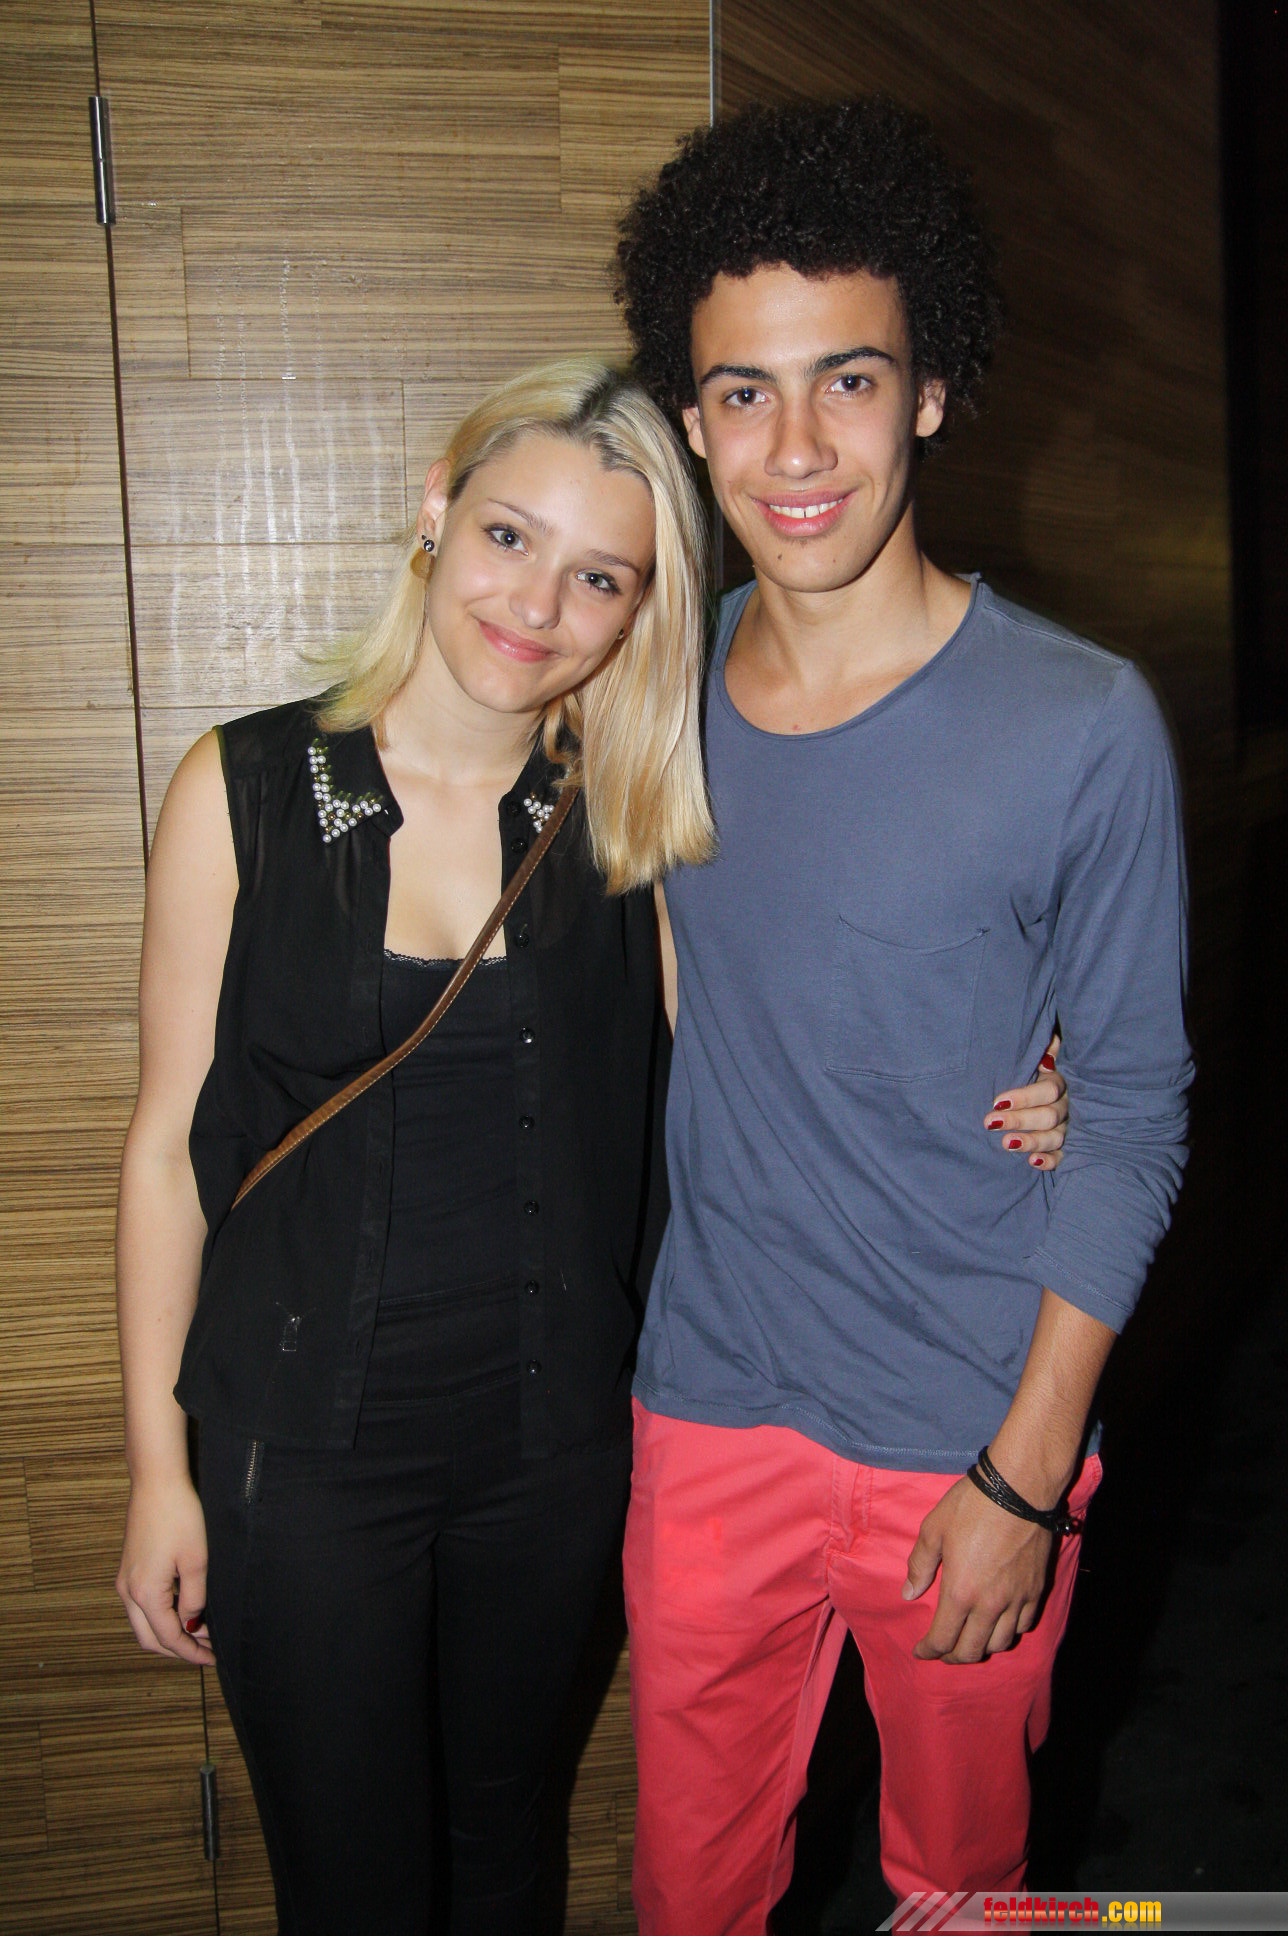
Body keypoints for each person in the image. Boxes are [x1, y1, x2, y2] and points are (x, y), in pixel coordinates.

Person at [114, 354, 1065, 1932]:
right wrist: (161, 1470)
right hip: (303, 1452)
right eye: (510, 537)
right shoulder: (253, 788)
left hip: (553, 1453)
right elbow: (168, 1153)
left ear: (638, 611)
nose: (539, 605)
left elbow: (793, 1043)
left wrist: (1039, 1072)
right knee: (351, 1887)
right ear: (438, 508)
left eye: (600, 577)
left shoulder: (628, 823)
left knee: (506, 1855)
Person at [614, 95, 1192, 1927]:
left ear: (931, 390)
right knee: (688, 1891)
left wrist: (1027, 1477)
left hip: (968, 1431)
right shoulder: (651, 688)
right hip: (709, 1416)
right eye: (744, 392)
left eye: (848, 381)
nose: (796, 448)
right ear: (691, 419)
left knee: (956, 1889)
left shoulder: (1081, 724)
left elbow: (1137, 1116)